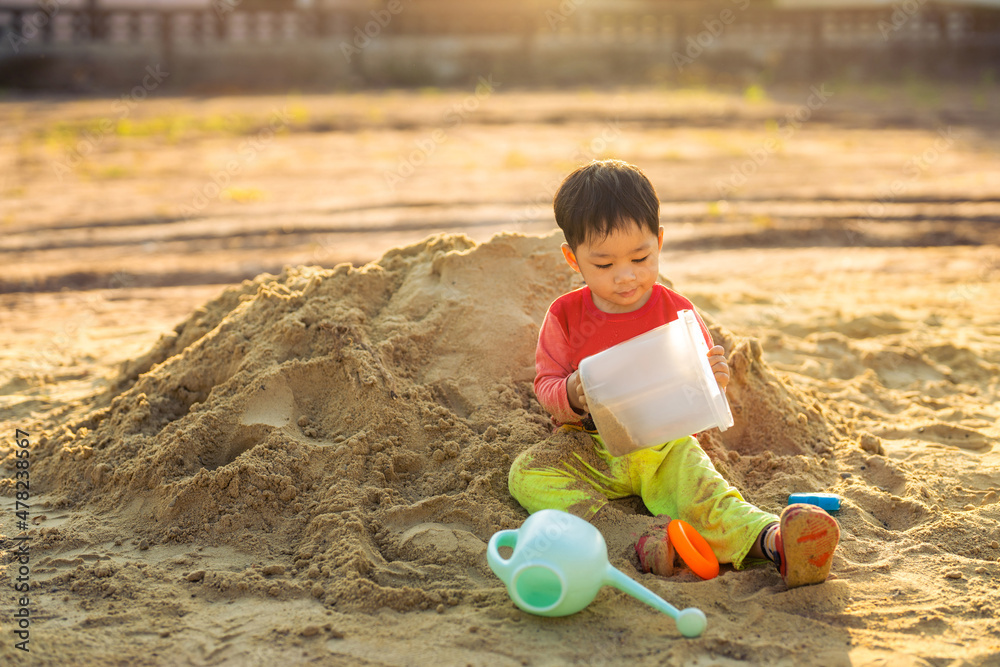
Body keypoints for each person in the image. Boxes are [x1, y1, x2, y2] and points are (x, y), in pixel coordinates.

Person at [508, 159, 838, 588]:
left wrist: (713, 377)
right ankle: (629, 533)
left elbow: (698, 387)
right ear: (573, 259)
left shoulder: (675, 310)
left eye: (641, 257)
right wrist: (570, 393)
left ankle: (776, 542)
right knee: (527, 474)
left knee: (707, 495)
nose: (626, 276)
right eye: (604, 265)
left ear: (659, 242)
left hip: (665, 446)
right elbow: (545, 383)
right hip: (590, 447)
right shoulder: (566, 316)